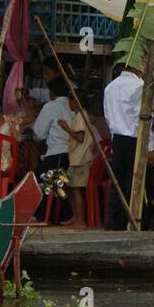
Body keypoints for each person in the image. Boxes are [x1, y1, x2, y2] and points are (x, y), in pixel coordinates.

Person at [103, 64, 143, 231]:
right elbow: (139, 116)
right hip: (133, 138)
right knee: (132, 182)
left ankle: (114, 222)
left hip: (117, 138)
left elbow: (107, 114)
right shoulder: (139, 86)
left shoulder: (110, 87)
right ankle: (129, 220)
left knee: (118, 183)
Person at [60, 93, 97, 227]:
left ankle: (80, 221)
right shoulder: (79, 116)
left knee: (75, 189)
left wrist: (66, 128)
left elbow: (80, 137)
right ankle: (76, 217)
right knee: (69, 187)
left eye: (70, 101)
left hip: (81, 158)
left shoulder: (81, 116)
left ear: (75, 102)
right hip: (75, 158)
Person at [33, 77, 73, 179]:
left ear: (51, 92)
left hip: (57, 156)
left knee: (36, 182)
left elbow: (39, 135)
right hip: (73, 156)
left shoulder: (50, 106)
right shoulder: (74, 106)